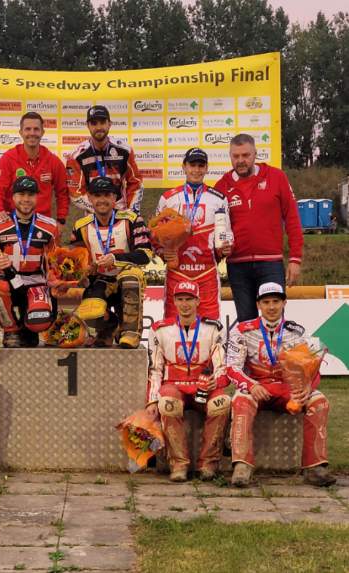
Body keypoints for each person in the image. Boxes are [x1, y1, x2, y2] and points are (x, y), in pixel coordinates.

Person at [227, 282, 335, 488]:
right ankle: (242, 466)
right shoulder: (242, 330)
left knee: (319, 401)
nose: (271, 307)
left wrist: (307, 387)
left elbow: (313, 368)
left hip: (289, 389)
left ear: (284, 303)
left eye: (276, 301)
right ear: (258, 304)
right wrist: (251, 386)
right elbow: (231, 368)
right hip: (257, 386)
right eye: (266, 302)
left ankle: (314, 467)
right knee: (240, 400)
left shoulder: (297, 332)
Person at [146, 280, 229, 482]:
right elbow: (155, 369)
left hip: (204, 384)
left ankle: (208, 464)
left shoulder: (214, 328)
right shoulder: (159, 329)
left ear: (198, 301)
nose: (185, 304)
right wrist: (152, 400)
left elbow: (221, 365)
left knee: (221, 403)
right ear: (174, 301)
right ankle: (179, 464)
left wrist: (216, 381)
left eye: (189, 299)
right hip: (174, 384)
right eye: (180, 299)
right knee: (168, 403)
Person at [215, 133, 303, 322]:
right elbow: (216, 230)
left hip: (270, 263)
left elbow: (293, 218)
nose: (241, 160)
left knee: (274, 322)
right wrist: (220, 250)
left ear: (255, 154)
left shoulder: (276, 177)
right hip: (237, 265)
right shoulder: (221, 186)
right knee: (247, 323)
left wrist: (295, 258)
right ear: (230, 156)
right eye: (236, 156)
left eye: (245, 155)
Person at [0, 176, 57, 347]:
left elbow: (55, 264)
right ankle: (10, 330)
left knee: (38, 324)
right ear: (13, 197)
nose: (26, 199)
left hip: (35, 283)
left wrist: (58, 282)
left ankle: (27, 327)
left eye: (30, 195)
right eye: (21, 194)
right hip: (8, 282)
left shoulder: (50, 227)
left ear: (37, 197)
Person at [71, 176, 152, 349]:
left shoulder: (132, 219)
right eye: (97, 195)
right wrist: (85, 270)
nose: (102, 200)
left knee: (131, 277)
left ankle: (130, 332)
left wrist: (116, 259)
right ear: (89, 198)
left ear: (115, 197)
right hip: (100, 281)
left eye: (107, 195)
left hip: (125, 279)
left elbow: (145, 254)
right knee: (90, 309)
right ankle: (108, 328)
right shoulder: (81, 226)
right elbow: (76, 261)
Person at [155, 148, 232, 320]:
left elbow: (226, 234)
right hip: (177, 272)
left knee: (210, 326)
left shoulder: (219, 199)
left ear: (206, 168)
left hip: (207, 273)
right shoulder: (168, 198)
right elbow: (155, 236)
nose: (196, 170)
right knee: (173, 325)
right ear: (184, 167)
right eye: (192, 165)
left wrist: (225, 248)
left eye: (200, 165)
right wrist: (163, 253)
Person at [0, 112, 69, 235]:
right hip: (13, 222)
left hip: (42, 224)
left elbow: (63, 193)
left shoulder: (53, 161)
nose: (32, 133)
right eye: (28, 129)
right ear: (21, 132)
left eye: (36, 129)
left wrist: (61, 220)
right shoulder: (9, 158)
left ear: (42, 132)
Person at [66, 105, 143, 214]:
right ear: (87, 125)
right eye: (94, 123)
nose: (98, 127)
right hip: (93, 212)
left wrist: (132, 212)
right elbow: (75, 193)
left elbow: (136, 182)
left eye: (102, 122)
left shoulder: (124, 151)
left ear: (109, 124)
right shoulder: (76, 156)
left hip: (121, 211)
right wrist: (100, 209)